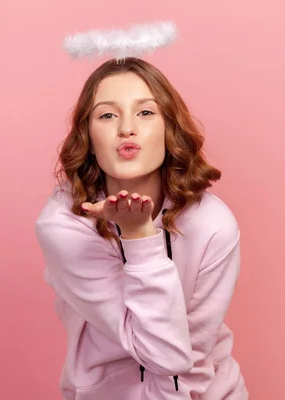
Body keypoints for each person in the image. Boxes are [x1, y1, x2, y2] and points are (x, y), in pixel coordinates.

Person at [35, 57, 248, 399]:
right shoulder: (64, 227)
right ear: (87, 135)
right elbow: (160, 352)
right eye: (107, 115)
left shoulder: (213, 225)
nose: (127, 128)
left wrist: (138, 234)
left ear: (169, 127)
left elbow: (183, 362)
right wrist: (140, 238)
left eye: (146, 112)